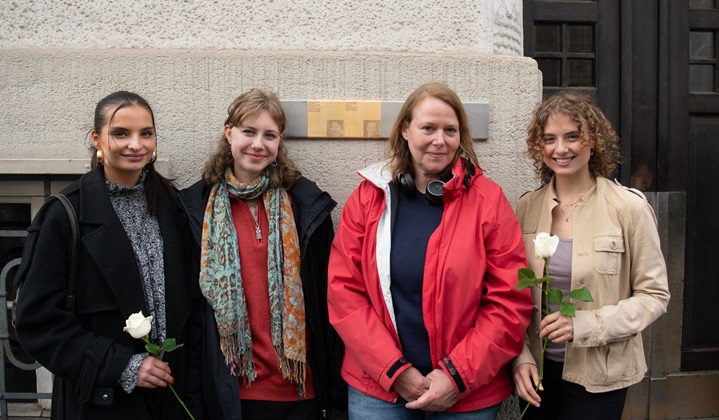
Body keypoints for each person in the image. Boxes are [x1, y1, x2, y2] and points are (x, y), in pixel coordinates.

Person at [327, 82, 533, 419]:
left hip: (467, 392)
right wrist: (395, 371)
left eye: (450, 130)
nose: (440, 140)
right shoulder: (369, 197)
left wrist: (456, 376)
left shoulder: (488, 201)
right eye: (428, 128)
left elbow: (509, 299)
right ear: (406, 129)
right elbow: (343, 293)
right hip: (380, 389)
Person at [14, 91, 202, 419]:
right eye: (120, 133)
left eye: (146, 133)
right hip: (102, 404)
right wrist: (121, 365)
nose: (135, 144)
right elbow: (36, 322)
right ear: (97, 139)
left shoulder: (173, 206)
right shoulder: (65, 214)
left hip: (171, 400)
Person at [179, 89, 346, 419]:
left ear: (279, 141)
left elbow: (331, 300)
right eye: (248, 132)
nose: (258, 144)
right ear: (229, 134)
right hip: (234, 392)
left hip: (301, 390)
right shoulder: (195, 210)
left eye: (269, 135)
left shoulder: (305, 207)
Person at [512, 92, 670, 419]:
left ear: (593, 140)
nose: (561, 148)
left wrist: (584, 324)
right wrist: (520, 356)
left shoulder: (628, 208)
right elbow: (511, 293)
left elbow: (654, 295)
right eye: (549, 139)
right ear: (538, 147)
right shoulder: (527, 207)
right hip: (537, 373)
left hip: (600, 375)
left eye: (572, 136)